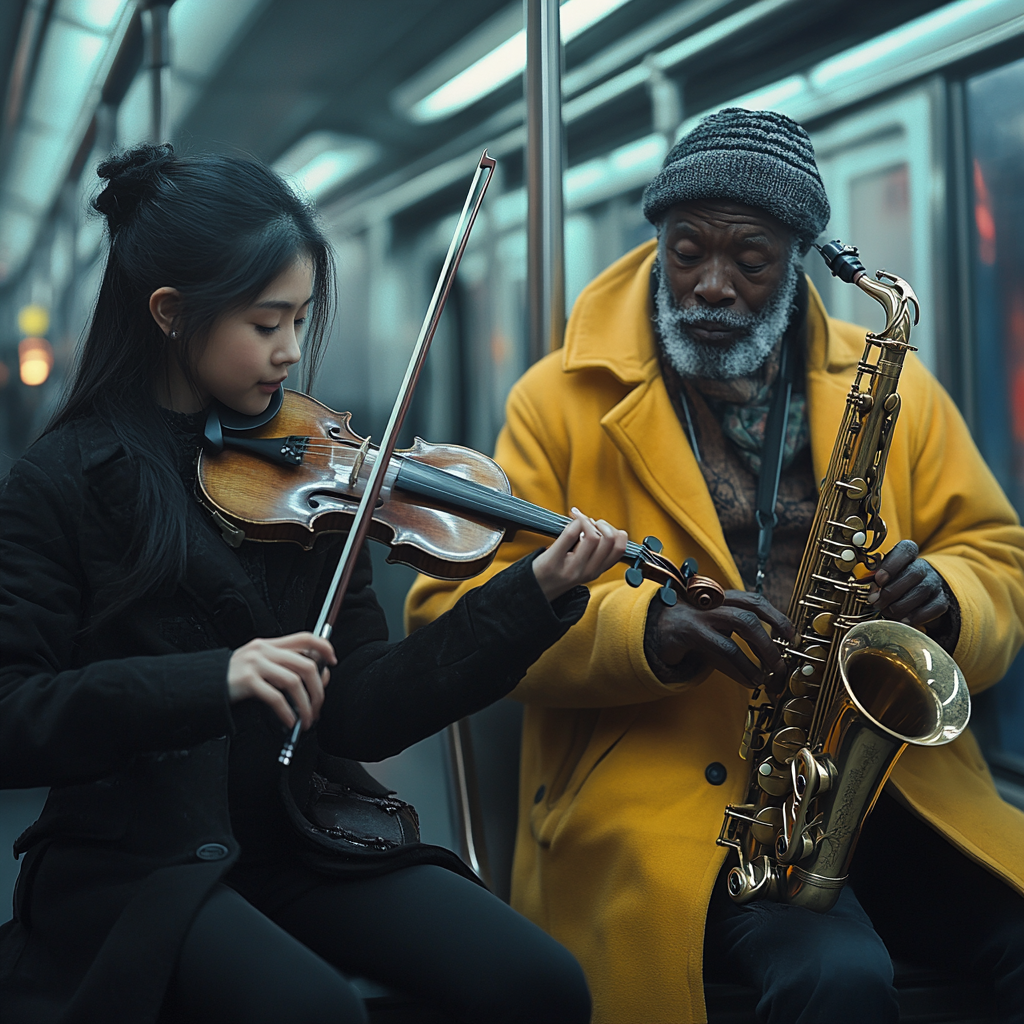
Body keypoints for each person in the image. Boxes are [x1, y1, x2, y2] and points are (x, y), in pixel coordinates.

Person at [407, 108, 1024, 1024]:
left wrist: (950, 597)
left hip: (882, 780)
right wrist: (646, 632)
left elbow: (995, 555)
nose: (712, 286)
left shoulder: (890, 380)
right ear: (658, 241)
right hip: (667, 792)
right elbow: (452, 614)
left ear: (798, 260)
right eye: (687, 250)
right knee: (834, 979)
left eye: (751, 261)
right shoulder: (558, 398)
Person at [0, 144, 630, 1024]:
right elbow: (14, 717)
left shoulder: (313, 472)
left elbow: (361, 709)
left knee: (541, 984)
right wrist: (213, 679)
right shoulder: (58, 482)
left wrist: (529, 599)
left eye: (300, 320)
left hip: (298, 836)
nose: (291, 352)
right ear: (172, 314)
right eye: (267, 324)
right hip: (137, 864)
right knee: (316, 1012)